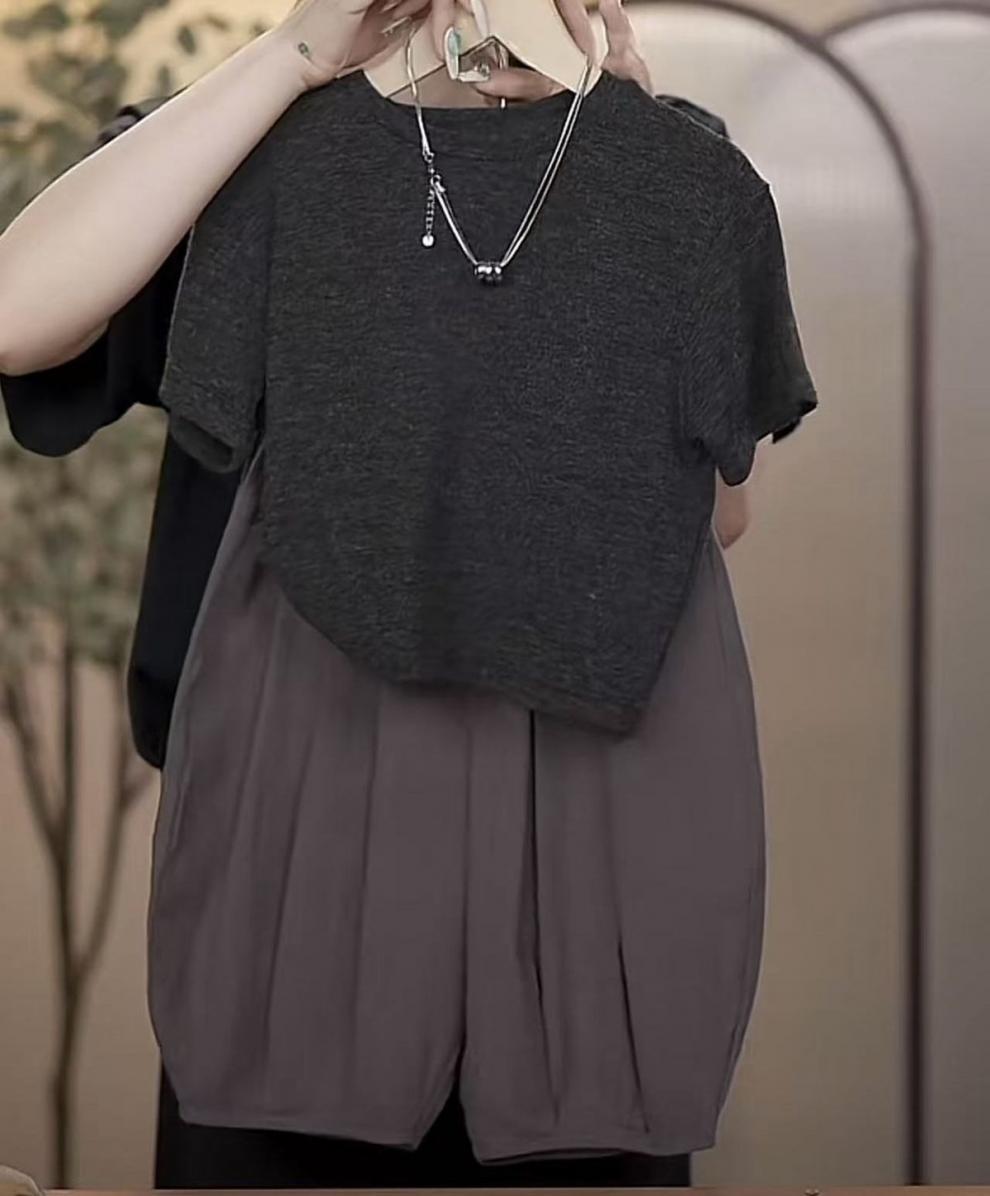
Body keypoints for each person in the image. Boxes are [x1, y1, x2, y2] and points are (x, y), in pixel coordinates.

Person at [0, 0, 814, 1187]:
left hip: (584, 835)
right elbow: (17, 315)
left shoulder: (673, 161)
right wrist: (290, 58)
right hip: (293, 831)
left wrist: (626, 177)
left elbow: (721, 509)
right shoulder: (243, 148)